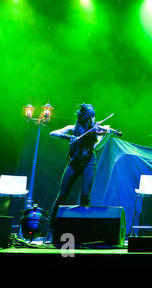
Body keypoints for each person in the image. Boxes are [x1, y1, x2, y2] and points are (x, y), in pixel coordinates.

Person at [47, 103, 113, 240]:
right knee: (62, 195)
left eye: (93, 118)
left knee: (85, 196)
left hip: (89, 163)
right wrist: (66, 137)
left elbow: (97, 146)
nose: (93, 120)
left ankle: (84, 229)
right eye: (90, 118)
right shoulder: (73, 128)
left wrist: (107, 136)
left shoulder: (95, 131)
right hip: (73, 163)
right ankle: (50, 229)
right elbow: (52, 133)